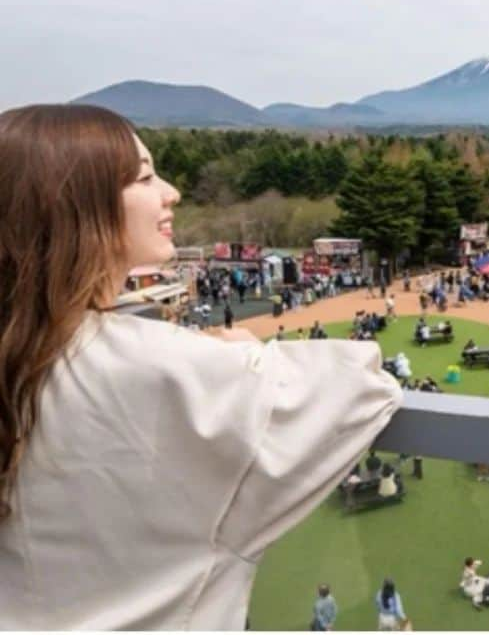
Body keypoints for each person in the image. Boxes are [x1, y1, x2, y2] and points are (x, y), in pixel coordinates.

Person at [0, 104, 403, 630]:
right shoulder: (160, 364)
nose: (172, 191)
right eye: (145, 177)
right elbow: (362, 384)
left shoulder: (33, 351)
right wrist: (243, 354)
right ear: (75, 206)